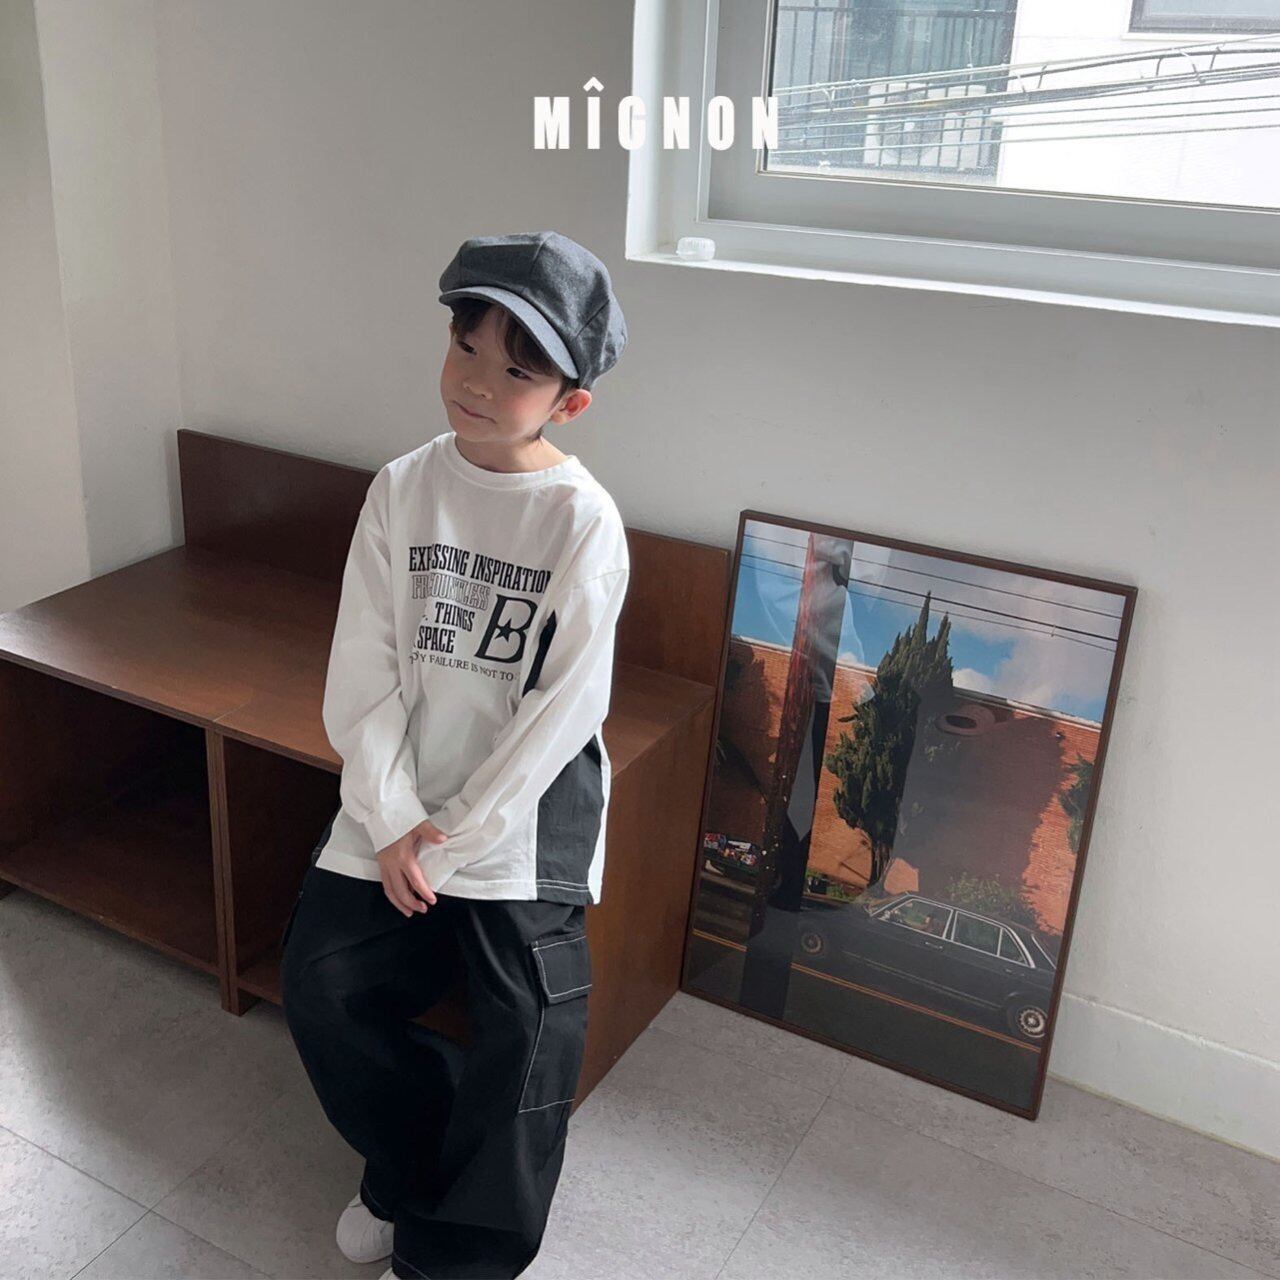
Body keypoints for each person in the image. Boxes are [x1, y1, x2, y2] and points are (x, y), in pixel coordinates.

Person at [279, 231, 630, 1280]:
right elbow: (364, 669)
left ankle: (457, 1257)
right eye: (465, 347)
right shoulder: (402, 487)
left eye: (516, 370)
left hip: (522, 805)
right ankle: (409, 1167)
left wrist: (455, 835)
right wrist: (394, 820)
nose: (476, 382)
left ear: (570, 401)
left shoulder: (582, 520)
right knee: (322, 983)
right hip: (404, 785)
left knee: (530, 1028)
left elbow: (564, 709)